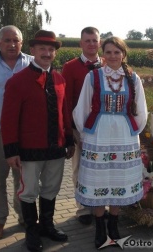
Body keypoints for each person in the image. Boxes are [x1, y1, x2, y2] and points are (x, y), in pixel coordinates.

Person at [0, 30, 75, 251]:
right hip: (29, 150)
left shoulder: (60, 79)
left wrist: (69, 140)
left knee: (51, 188)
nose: (47, 53)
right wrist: (11, 150)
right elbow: (9, 119)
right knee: (29, 191)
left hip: (56, 148)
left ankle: (48, 226)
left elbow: (65, 112)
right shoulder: (17, 81)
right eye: (42, 48)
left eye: (51, 49)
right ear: (32, 51)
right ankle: (32, 232)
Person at [73, 36, 148, 248]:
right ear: (103, 54)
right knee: (98, 178)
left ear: (123, 54)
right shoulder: (93, 77)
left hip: (124, 134)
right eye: (108, 52)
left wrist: (134, 132)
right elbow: (82, 107)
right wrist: (85, 133)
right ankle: (99, 228)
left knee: (118, 179)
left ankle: (113, 226)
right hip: (99, 133)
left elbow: (141, 109)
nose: (113, 56)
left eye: (117, 52)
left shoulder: (133, 78)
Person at [0, 25, 33, 241]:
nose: (12, 44)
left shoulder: (32, 64)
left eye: (16, 40)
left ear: (21, 43)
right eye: (7, 40)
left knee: (23, 178)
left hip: (23, 132)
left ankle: (24, 217)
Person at [62, 27, 104, 225]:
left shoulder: (108, 64)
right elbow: (66, 100)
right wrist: (70, 128)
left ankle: (101, 204)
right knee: (80, 166)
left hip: (104, 127)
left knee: (101, 166)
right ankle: (82, 209)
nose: (91, 44)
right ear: (81, 43)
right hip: (80, 126)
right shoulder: (70, 67)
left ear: (100, 42)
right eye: (87, 40)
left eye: (94, 40)